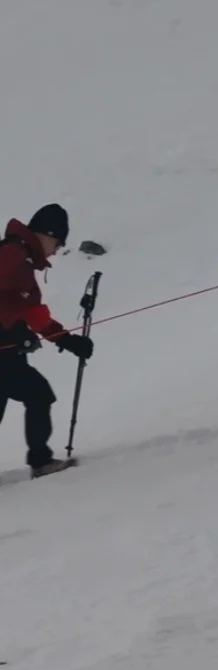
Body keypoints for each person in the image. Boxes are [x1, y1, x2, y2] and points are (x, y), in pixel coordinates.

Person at [0, 204, 94, 478]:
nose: (56, 250)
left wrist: (66, 340)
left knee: (38, 394)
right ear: (45, 234)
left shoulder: (22, 260)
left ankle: (41, 461)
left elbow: (32, 311)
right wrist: (12, 330)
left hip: (8, 353)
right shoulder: (12, 255)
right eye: (57, 242)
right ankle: (41, 462)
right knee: (38, 394)